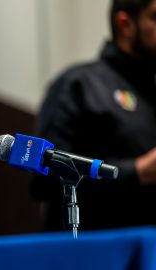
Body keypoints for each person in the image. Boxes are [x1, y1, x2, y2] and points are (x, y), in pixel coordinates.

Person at [30, 0, 156, 231]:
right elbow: (43, 180)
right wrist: (138, 171)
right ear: (125, 24)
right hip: (94, 255)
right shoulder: (79, 85)